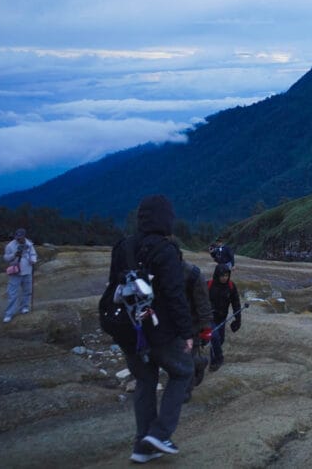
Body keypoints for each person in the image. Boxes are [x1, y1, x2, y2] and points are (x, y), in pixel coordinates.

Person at [109, 194, 193, 463]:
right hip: (160, 331)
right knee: (183, 372)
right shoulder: (166, 250)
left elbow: (114, 288)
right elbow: (175, 295)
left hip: (130, 330)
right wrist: (187, 332)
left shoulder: (123, 247)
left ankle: (141, 446)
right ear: (165, 218)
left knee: (145, 380)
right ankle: (160, 433)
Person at [183, 260, 214, 402]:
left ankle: (185, 391)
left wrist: (206, 328)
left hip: (190, 325)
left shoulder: (192, 273)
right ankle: (199, 362)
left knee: (187, 358)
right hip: (168, 324)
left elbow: (203, 303)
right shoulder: (155, 269)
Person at [208, 264, 242, 372]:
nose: (224, 278)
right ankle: (218, 359)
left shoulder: (231, 287)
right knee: (214, 337)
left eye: (227, 275)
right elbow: (200, 300)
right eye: (222, 275)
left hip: (222, 317)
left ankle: (213, 359)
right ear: (217, 275)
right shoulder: (208, 285)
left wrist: (238, 319)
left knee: (220, 340)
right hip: (209, 317)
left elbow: (236, 303)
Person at [3, 228, 37, 323]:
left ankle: (25, 307)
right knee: (12, 293)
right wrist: (14, 255)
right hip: (15, 272)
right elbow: (6, 258)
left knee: (27, 291)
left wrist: (33, 260)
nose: (19, 239)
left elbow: (33, 254)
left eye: (20, 237)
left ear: (24, 236)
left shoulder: (29, 244)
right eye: (17, 237)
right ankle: (9, 314)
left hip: (27, 270)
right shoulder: (10, 246)